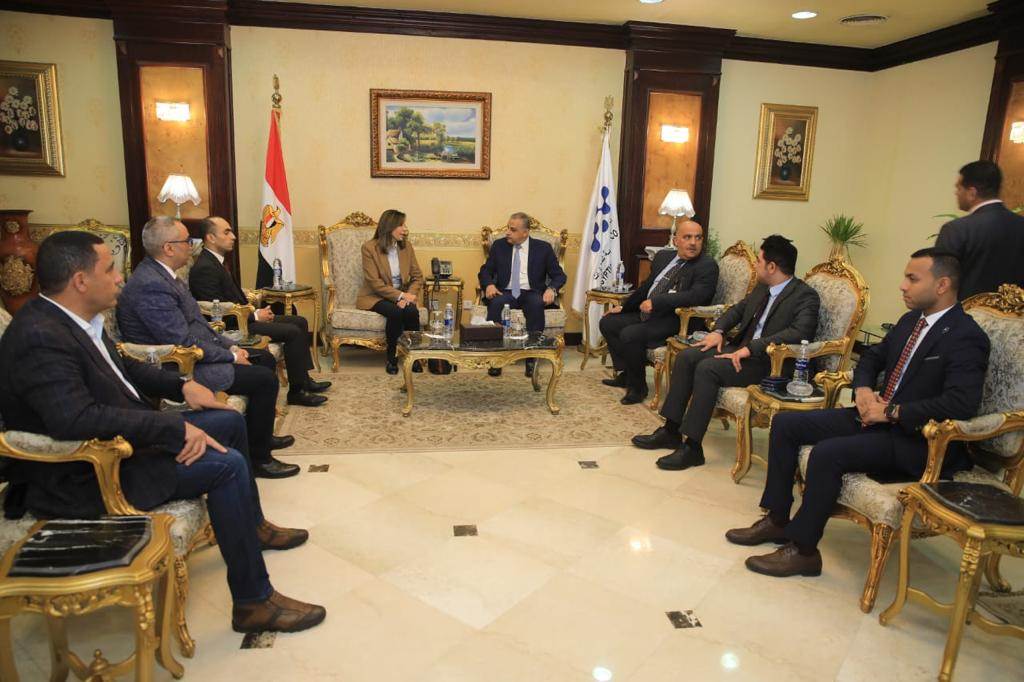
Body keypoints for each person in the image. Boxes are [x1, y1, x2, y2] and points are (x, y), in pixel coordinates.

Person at [0, 231, 326, 633]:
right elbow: (76, 419)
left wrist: (182, 386)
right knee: (228, 466)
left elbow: (124, 368)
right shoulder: (40, 336)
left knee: (228, 421)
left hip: (126, 442)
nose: (119, 277)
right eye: (110, 269)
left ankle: (253, 527)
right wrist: (174, 428)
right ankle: (253, 602)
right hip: (87, 474)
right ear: (80, 281)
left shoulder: (76, 320)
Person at [726, 249, 989, 578]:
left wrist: (892, 412)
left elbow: (961, 402)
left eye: (912, 278)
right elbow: (872, 357)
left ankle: (804, 552)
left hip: (917, 440)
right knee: (786, 424)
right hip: (875, 418)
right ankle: (777, 519)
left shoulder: (966, 336)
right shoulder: (911, 321)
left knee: (828, 453)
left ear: (942, 285)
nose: (903, 286)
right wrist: (863, 390)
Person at [117, 216, 299, 479]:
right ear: (169, 248)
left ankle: (260, 438)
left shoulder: (166, 276)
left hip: (198, 352)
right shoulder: (151, 285)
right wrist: (230, 356)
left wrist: (232, 348)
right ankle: (260, 460)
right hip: (176, 367)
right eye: (187, 241)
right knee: (263, 379)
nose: (192, 246)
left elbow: (200, 325)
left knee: (264, 359)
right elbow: (181, 341)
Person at [632, 235, 820, 471]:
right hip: (741, 351)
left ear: (772, 267)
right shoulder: (763, 287)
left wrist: (750, 348)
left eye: (759, 261)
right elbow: (737, 310)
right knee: (687, 356)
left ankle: (693, 448)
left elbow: (798, 333)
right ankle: (671, 431)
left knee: (708, 369)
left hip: (771, 364)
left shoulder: (805, 296)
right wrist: (719, 331)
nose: (755, 265)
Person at [188, 216, 330, 407]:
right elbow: (217, 311)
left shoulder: (216, 261)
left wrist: (257, 311)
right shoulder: (205, 268)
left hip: (245, 317)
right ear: (210, 238)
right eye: (226, 232)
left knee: (299, 321)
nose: (233, 236)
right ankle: (297, 393)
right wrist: (255, 316)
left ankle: (303, 380)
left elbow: (233, 299)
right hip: (234, 325)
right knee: (293, 331)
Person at [599, 220, 718, 404]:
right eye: (687, 237)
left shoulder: (707, 265)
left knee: (631, 334)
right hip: (649, 315)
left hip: (675, 321)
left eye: (698, 238)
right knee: (609, 322)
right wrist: (624, 307)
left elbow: (696, 296)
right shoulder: (664, 257)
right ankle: (627, 374)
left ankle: (638, 389)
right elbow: (647, 286)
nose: (693, 243)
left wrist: (657, 302)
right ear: (676, 240)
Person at [479, 212, 567, 377]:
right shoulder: (499, 246)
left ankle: (531, 358)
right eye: (508, 228)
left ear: (525, 232)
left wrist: (551, 289)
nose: (508, 232)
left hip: (531, 292)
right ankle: (496, 359)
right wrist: (489, 284)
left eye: (513, 230)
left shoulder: (543, 248)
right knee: (496, 303)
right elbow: (485, 271)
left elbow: (559, 275)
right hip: (505, 291)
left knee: (536, 304)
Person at [935, 160, 1024, 299]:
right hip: (1016, 311)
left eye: (959, 188)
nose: (956, 193)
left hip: (965, 311)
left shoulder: (956, 229)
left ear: (972, 193)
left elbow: (941, 282)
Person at [356, 209, 425, 375]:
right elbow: (375, 283)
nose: (405, 229)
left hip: (401, 295)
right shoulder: (369, 248)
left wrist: (408, 297)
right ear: (390, 227)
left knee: (411, 311)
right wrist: (400, 296)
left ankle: (413, 355)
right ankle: (392, 357)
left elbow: (417, 277)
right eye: (402, 225)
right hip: (375, 296)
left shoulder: (406, 247)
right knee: (395, 312)